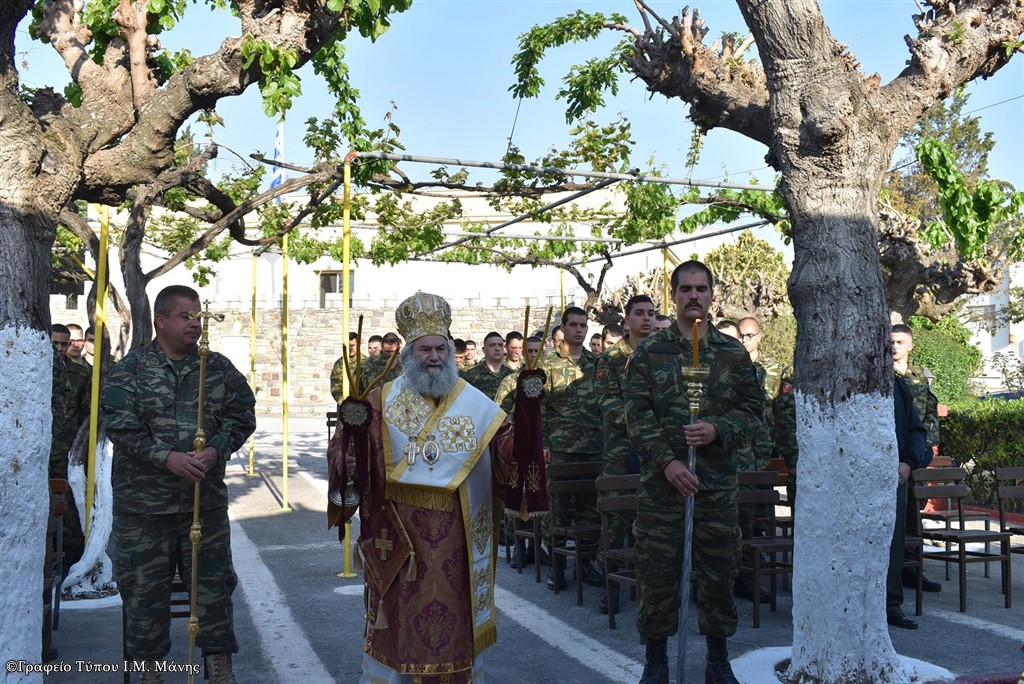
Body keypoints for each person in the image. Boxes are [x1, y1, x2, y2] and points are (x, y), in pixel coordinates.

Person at [329, 292, 517, 683]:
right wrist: (344, 460)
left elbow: (505, 450)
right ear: (408, 354)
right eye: (424, 349)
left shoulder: (475, 403)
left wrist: (528, 433)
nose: (434, 356)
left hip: (460, 538)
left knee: (455, 621)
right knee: (397, 622)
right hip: (400, 539)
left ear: (451, 351)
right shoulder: (380, 400)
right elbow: (347, 446)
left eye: (440, 348)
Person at [101, 285, 257, 683]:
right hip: (144, 510)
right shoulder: (131, 370)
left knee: (213, 589)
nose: (196, 323)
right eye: (186, 316)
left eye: (198, 316)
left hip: (202, 504)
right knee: (144, 593)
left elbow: (242, 415)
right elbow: (119, 427)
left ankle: (219, 666)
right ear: (161, 321)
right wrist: (166, 457)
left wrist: (217, 450)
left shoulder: (217, 368)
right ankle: (149, 672)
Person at [623, 261, 762, 684]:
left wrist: (719, 428)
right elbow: (636, 414)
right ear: (675, 296)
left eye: (701, 288)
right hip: (663, 487)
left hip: (715, 485)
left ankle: (718, 661)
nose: (694, 296)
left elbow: (755, 411)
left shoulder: (732, 353)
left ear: (712, 293)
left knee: (720, 574)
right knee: (659, 574)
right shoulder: (650, 353)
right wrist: (668, 461)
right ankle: (656, 662)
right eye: (685, 290)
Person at [594, 295, 655, 614]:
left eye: (651, 313)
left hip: (656, 450)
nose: (646, 319)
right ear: (627, 321)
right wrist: (642, 422)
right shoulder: (612, 359)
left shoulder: (664, 354)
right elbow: (606, 403)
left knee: (654, 518)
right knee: (616, 520)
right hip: (621, 449)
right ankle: (610, 585)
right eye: (639, 314)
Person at [536, 306, 603, 591]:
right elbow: (538, 407)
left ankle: (585, 563)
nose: (579, 330)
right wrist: (545, 443)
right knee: (558, 510)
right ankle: (558, 565)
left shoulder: (596, 363)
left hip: (592, 447)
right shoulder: (547, 364)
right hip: (561, 448)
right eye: (574, 325)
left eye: (583, 325)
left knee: (591, 510)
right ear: (563, 328)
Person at [892, 323, 942, 593]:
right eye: (891, 342)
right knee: (898, 518)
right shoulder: (882, 376)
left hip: (915, 454)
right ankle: (895, 574)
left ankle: (913, 570)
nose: (894, 347)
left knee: (914, 516)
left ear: (910, 345)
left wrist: (927, 449)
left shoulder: (919, 378)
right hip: (895, 455)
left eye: (900, 342)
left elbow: (929, 413)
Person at [887, 374, 931, 629]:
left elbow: (916, 429)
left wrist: (909, 463)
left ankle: (891, 604)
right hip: (855, 474)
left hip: (896, 475)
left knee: (894, 541)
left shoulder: (897, 384)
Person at [50, 323, 90, 571]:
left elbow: (86, 414)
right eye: (55, 343)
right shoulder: (33, 370)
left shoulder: (79, 374)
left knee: (70, 510)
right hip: (39, 455)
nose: (60, 348)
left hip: (65, 453)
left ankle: (71, 560)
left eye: (64, 344)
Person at [461, 331, 513, 399]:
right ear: (484, 350)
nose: (497, 349)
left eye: (500, 345)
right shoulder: (471, 376)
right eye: (492, 345)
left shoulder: (511, 375)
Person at [331, 332, 366, 403]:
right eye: (347, 346)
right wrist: (343, 402)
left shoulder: (366, 363)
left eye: (352, 345)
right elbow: (335, 387)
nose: (350, 348)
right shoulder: (340, 363)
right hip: (345, 406)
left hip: (363, 405)